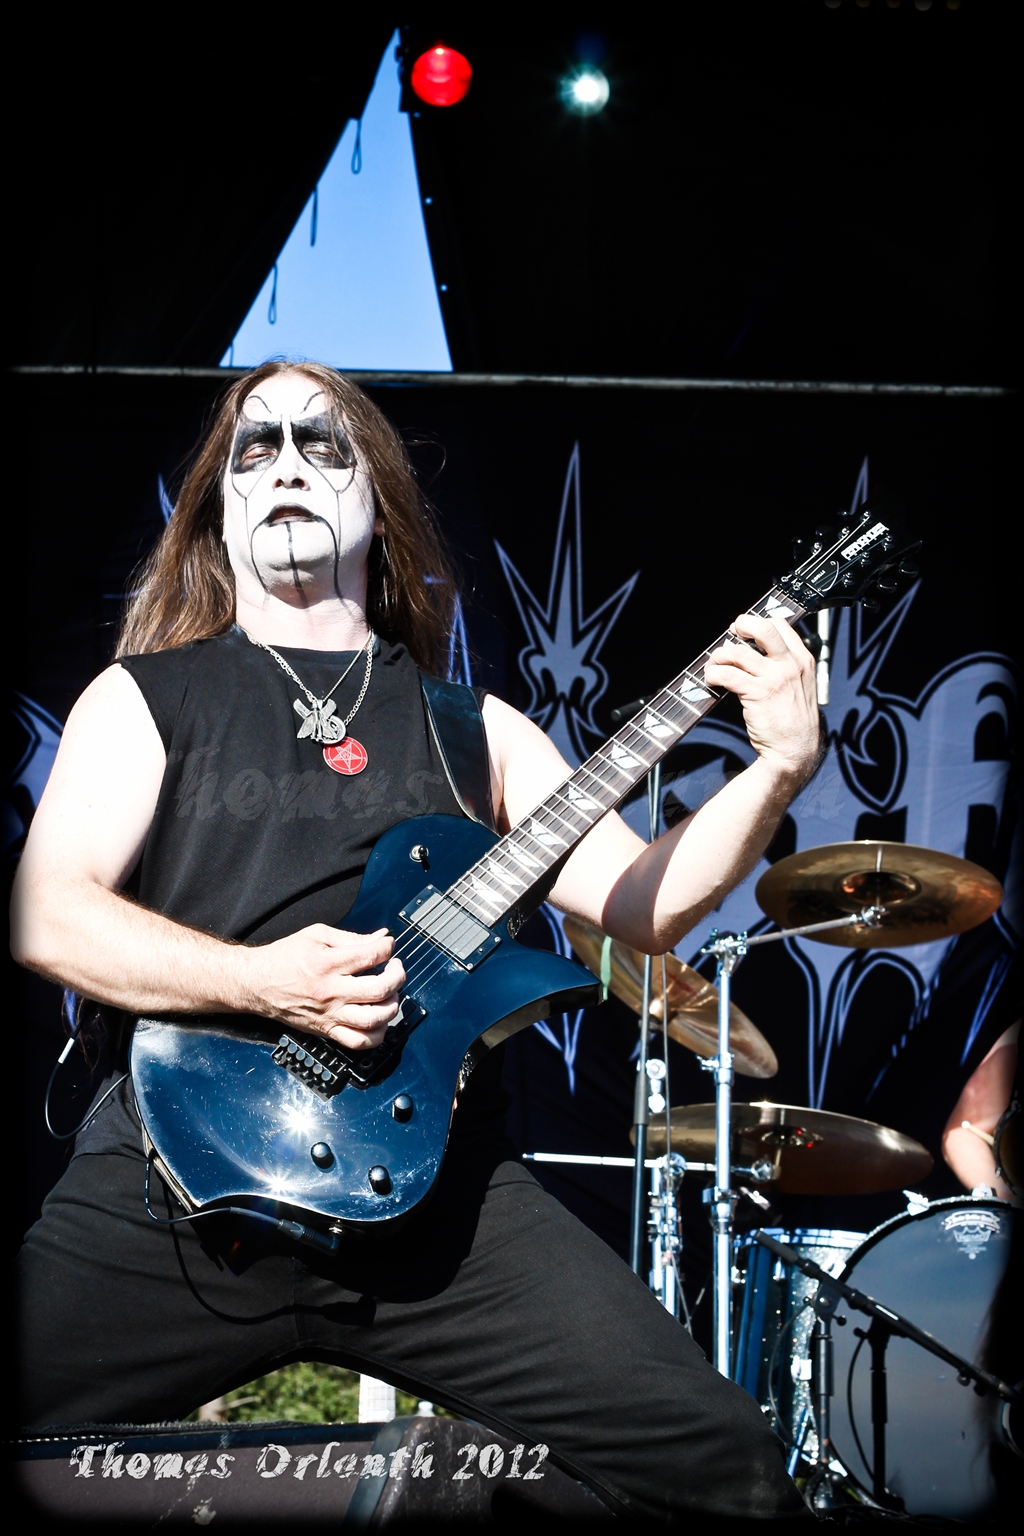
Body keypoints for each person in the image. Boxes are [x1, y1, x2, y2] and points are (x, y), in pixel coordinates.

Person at [12, 362, 821, 1523]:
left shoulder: (476, 729)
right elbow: (48, 911)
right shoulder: (143, 699)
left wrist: (779, 766)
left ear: (376, 500)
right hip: (175, 1178)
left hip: (438, 1203)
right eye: (255, 448)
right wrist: (263, 982)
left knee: (723, 1465)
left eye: (321, 443)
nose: (286, 463)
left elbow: (638, 906)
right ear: (222, 514)